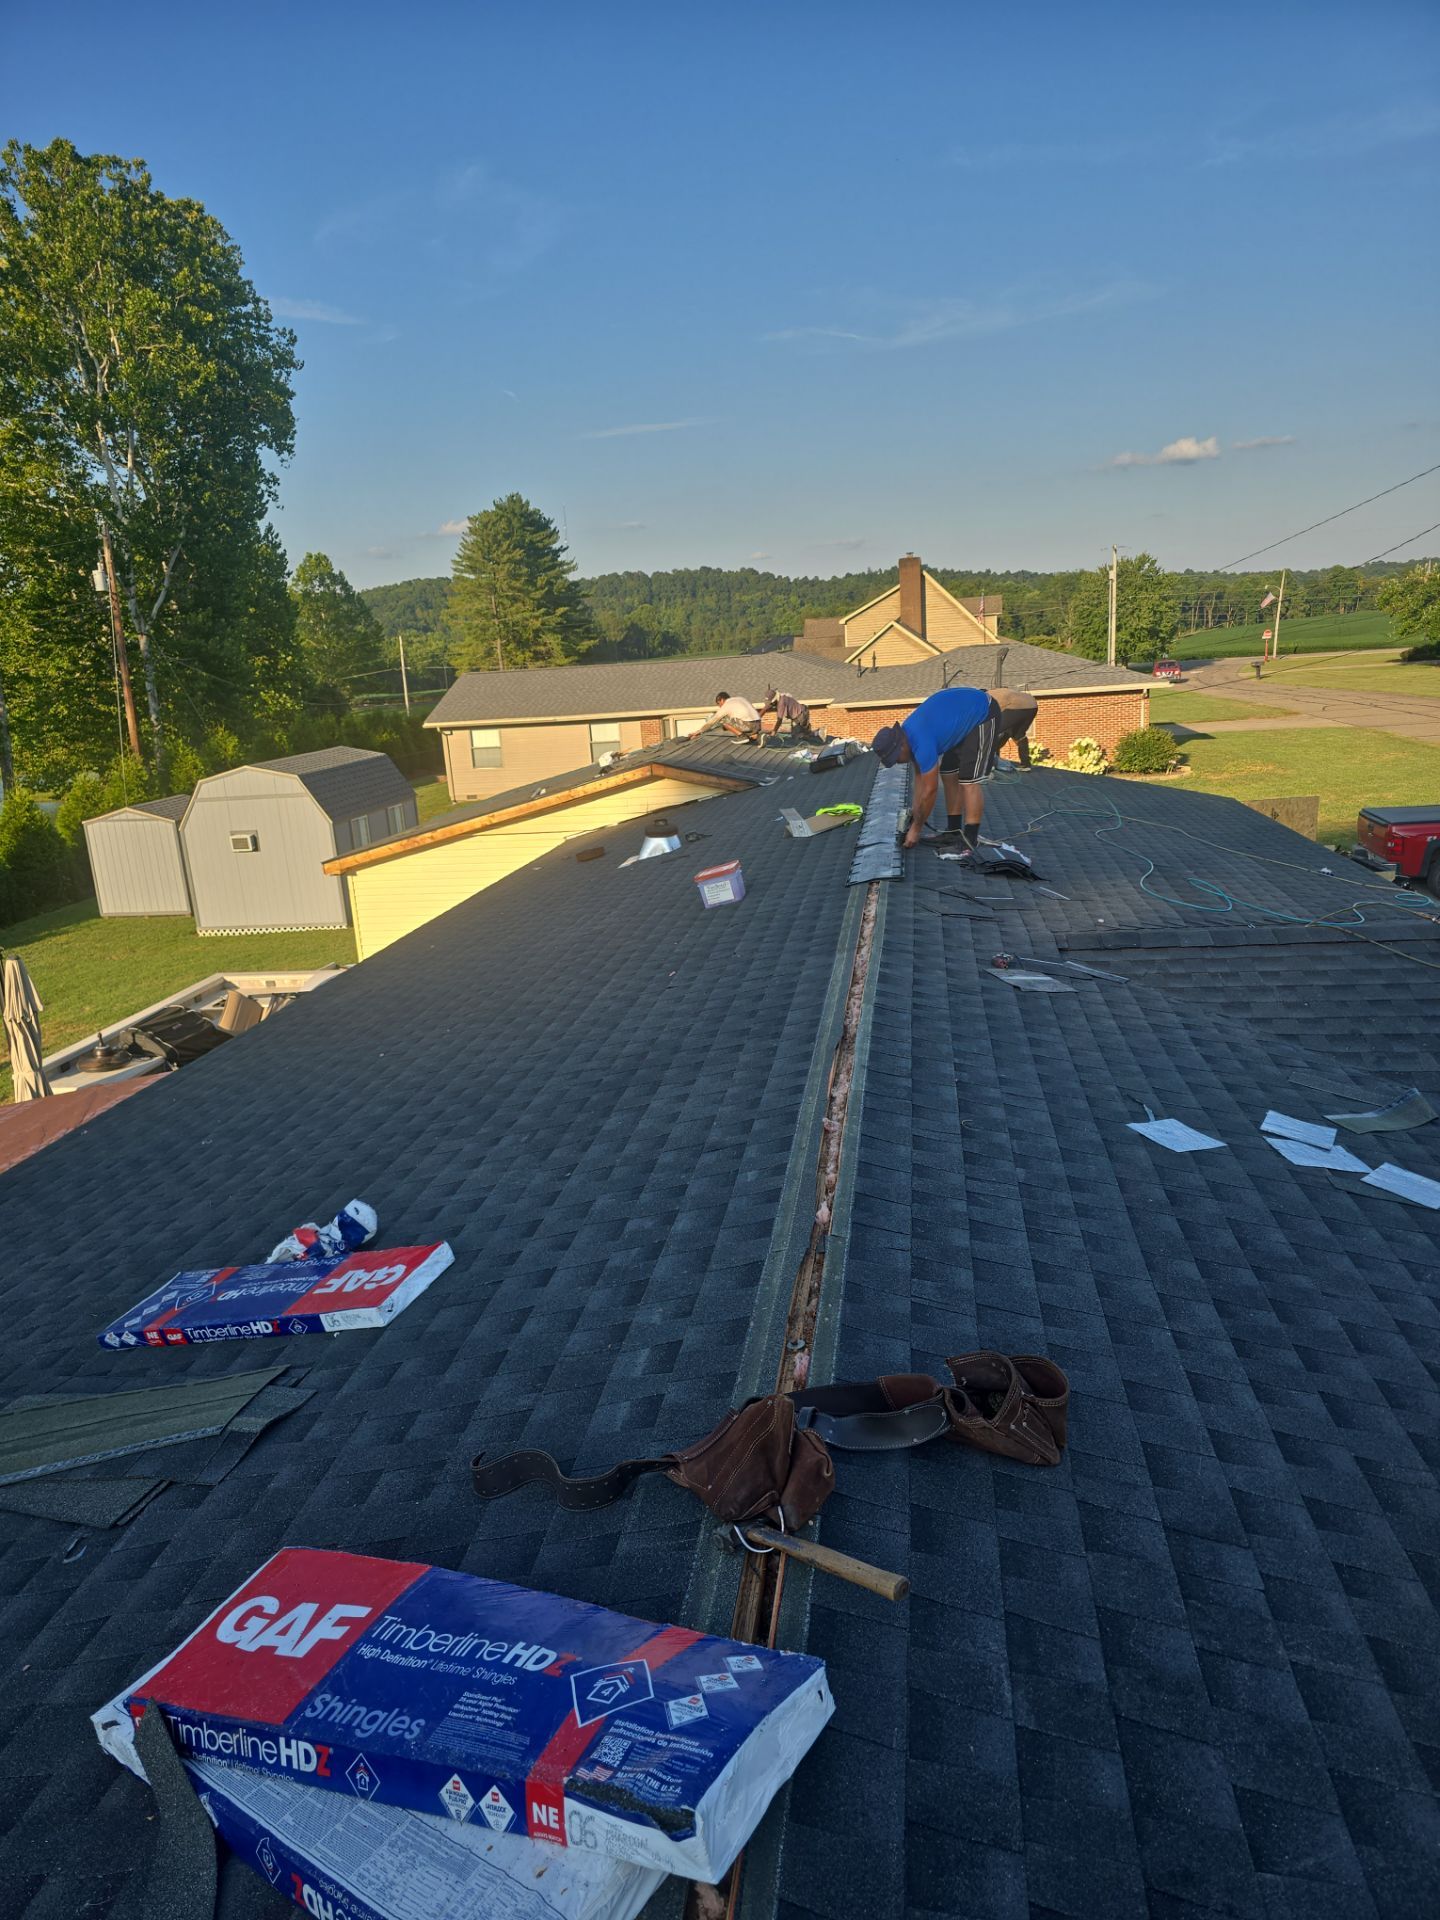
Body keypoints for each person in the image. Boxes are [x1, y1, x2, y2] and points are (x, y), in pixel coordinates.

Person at [871, 685, 1001, 851]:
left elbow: (930, 790)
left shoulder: (921, 743)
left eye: (895, 758)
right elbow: (920, 782)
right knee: (948, 773)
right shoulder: (908, 737)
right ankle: (953, 832)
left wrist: (916, 829)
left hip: (983, 712)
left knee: (969, 780)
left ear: (901, 746)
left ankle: (970, 839)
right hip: (960, 717)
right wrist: (914, 816)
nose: (896, 762)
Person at [990, 687, 1039, 767]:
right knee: (1019, 735)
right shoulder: (997, 692)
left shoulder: (985, 698)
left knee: (993, 732)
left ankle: (990, 765)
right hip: (1032, 705)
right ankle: (1025, 764)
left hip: (1015, 706)